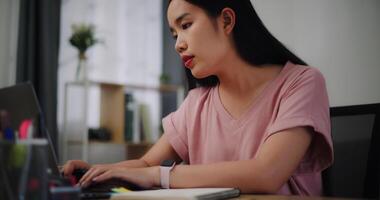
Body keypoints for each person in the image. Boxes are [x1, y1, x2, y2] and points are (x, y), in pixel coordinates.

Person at [62, 0, 333, 195]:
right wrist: (98, 172)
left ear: (226, 20)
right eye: (174, 33)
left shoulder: (302, 82)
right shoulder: (197, 102)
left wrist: (158, 176)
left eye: (186, 25)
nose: (178, 43)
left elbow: (267, 174)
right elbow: (145, 163)